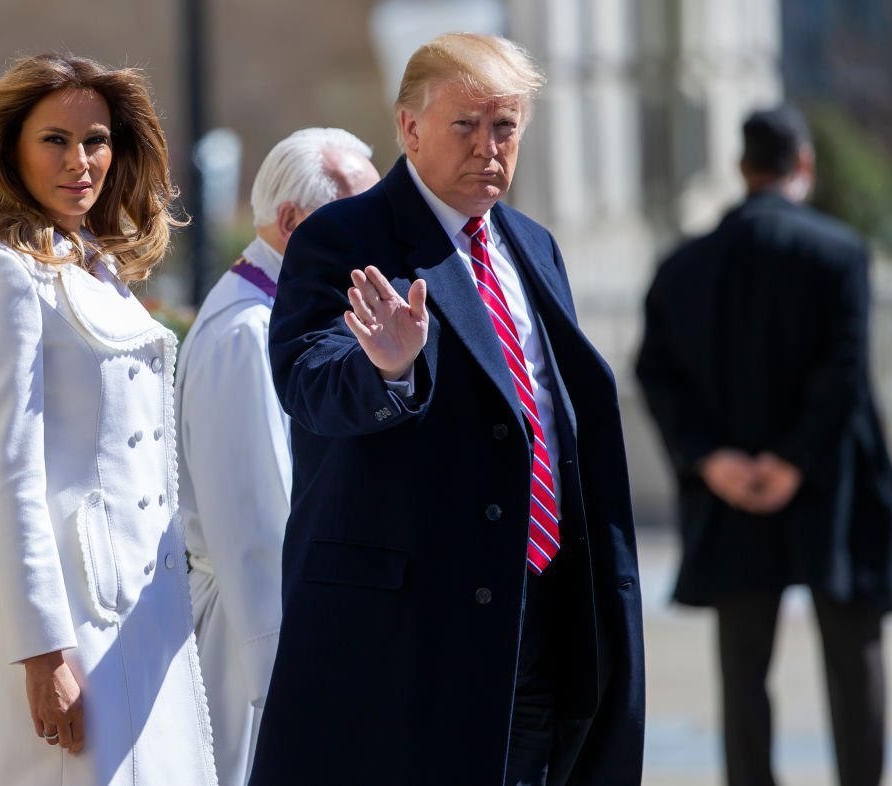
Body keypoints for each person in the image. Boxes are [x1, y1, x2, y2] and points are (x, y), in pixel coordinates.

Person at [250, 33, 645, 786]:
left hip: (538, 617)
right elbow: (307, 382)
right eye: (465, 125)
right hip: (409, 638)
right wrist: (386, 368)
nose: (488, 149)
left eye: (505, 128)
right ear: (408, 127)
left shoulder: (531, 244)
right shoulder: (345, 236)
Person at [0, 53, 217, 786]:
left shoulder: (92, 263)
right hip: (75, 615)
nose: (80, 161)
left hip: (143, 605)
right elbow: (9, 477)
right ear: (13, 149)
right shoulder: (1, 270)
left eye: (95, 139)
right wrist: (41, 652)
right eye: (54, 141)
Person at [636, 105, 892, 786]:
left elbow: (653, 371)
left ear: (741, 169)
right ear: (802, 165)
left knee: (743, 668)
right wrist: (794, 460)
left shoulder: (684, 264)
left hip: (731, 489)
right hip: (830, 484)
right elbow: (844, 370)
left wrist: (712, 458)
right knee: (854, 654)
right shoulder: (838, 251)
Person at [175, 127, 379, 786]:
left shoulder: (285, 310)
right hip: (260, 653)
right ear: (293, 223)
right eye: (357, 215)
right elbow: (259, 531)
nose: (376, 235)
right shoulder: (247, 334)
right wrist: (295, 687)